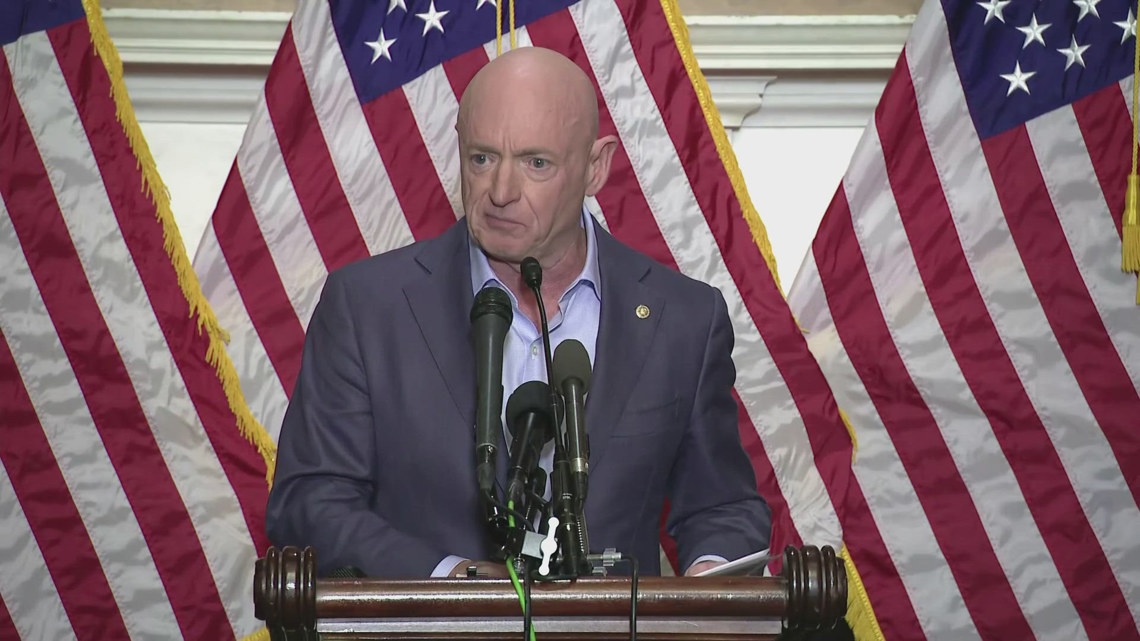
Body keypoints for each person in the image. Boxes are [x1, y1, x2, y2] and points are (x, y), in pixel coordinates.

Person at [265, 46, 771, 579]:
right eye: (482, 159)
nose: (501, 192)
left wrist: (706, 587)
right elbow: (309, 503)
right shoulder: (368, 307)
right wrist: (451, 579)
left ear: (595, 168)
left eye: (536, 163)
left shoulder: (683, 320)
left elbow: (721, 507)